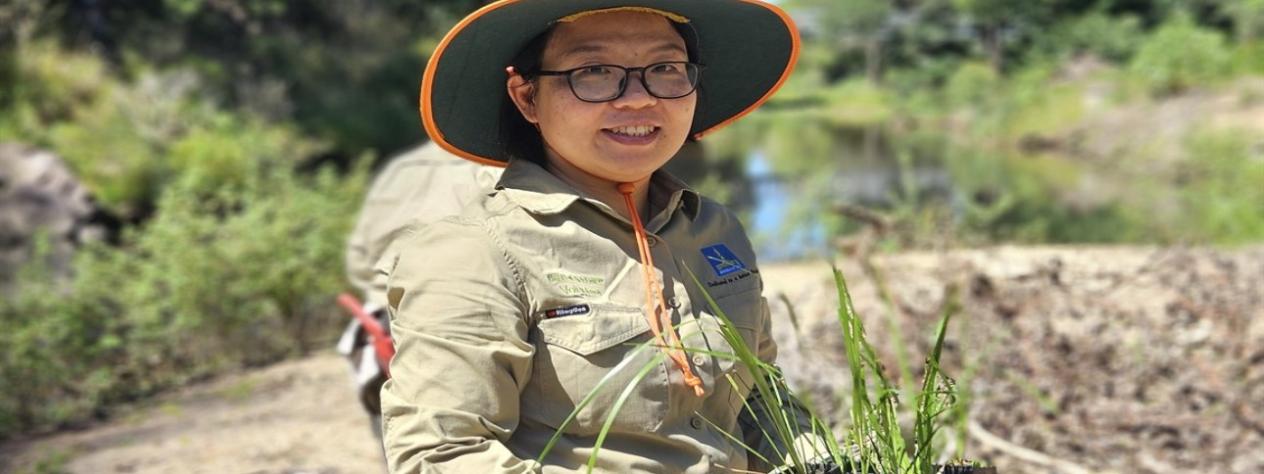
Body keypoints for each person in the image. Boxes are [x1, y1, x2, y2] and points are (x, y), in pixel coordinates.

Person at [380, 1, 821, 472]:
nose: (637, 99)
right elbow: (441, 455)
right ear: (526, 97)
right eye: (593, 71)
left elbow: (757, 397)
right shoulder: (474, 252)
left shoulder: (713, 229)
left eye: (666, 67)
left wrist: (813, 456)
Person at [338, 141, 503, 439]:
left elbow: (358, 258)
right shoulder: (504, 167)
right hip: (470, 322)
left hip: (388, 329)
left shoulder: (402, 169)